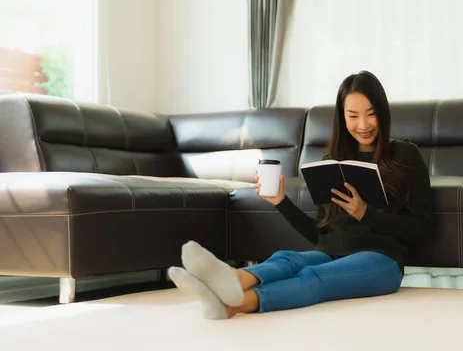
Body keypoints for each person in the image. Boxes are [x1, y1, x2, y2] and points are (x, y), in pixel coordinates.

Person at [167, 70, 434, 319]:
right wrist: (281, 202)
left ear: (383, 113)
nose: (362, 124)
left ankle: (233, 304)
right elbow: (321, 234)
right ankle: (231, 281)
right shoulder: (333, 161)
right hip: (330, 252)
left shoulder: (404, 155)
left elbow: (423, 229)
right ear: (342, 117)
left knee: (314, 276)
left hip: (381, 260)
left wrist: (366, 213)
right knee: (287, 259)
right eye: (352, 116)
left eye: (371, 114)